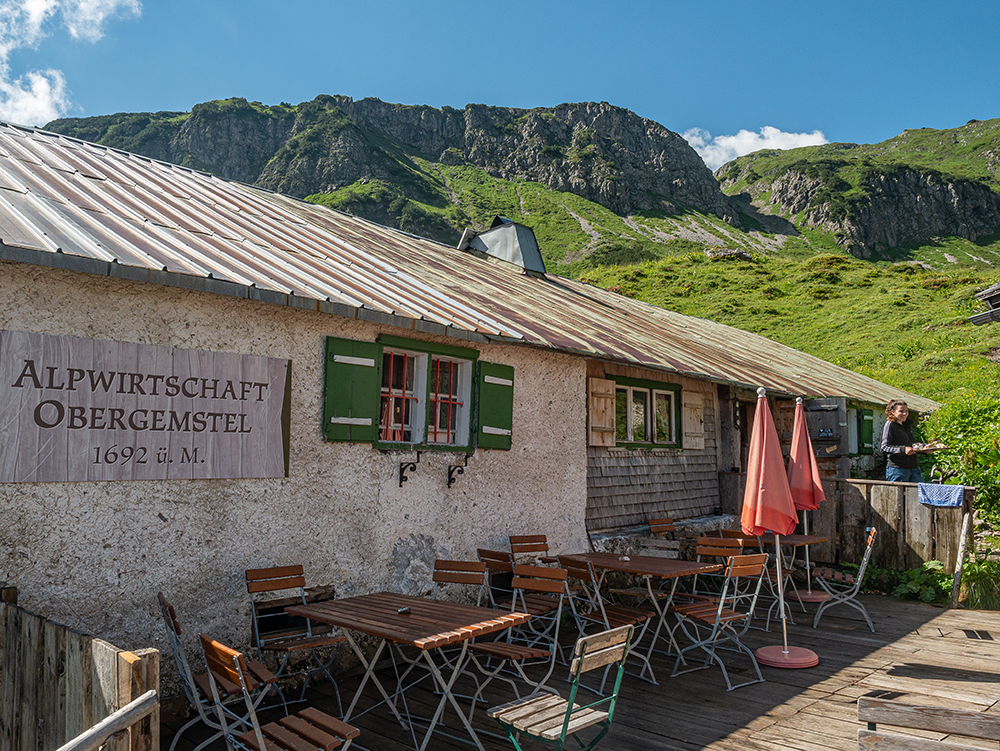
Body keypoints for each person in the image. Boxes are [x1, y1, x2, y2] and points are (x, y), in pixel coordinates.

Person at [881, 399, 923, 483]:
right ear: (893, 412)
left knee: (918, 494)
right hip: (898, 469)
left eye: (906, 411)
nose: (904, 414)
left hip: (914, 468)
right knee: (899, 496)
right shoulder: (890, 425)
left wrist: (924, 450)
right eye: (901, 411)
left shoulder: (906, 425)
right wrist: (903, 449)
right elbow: (884, 448)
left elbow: (911, 447)